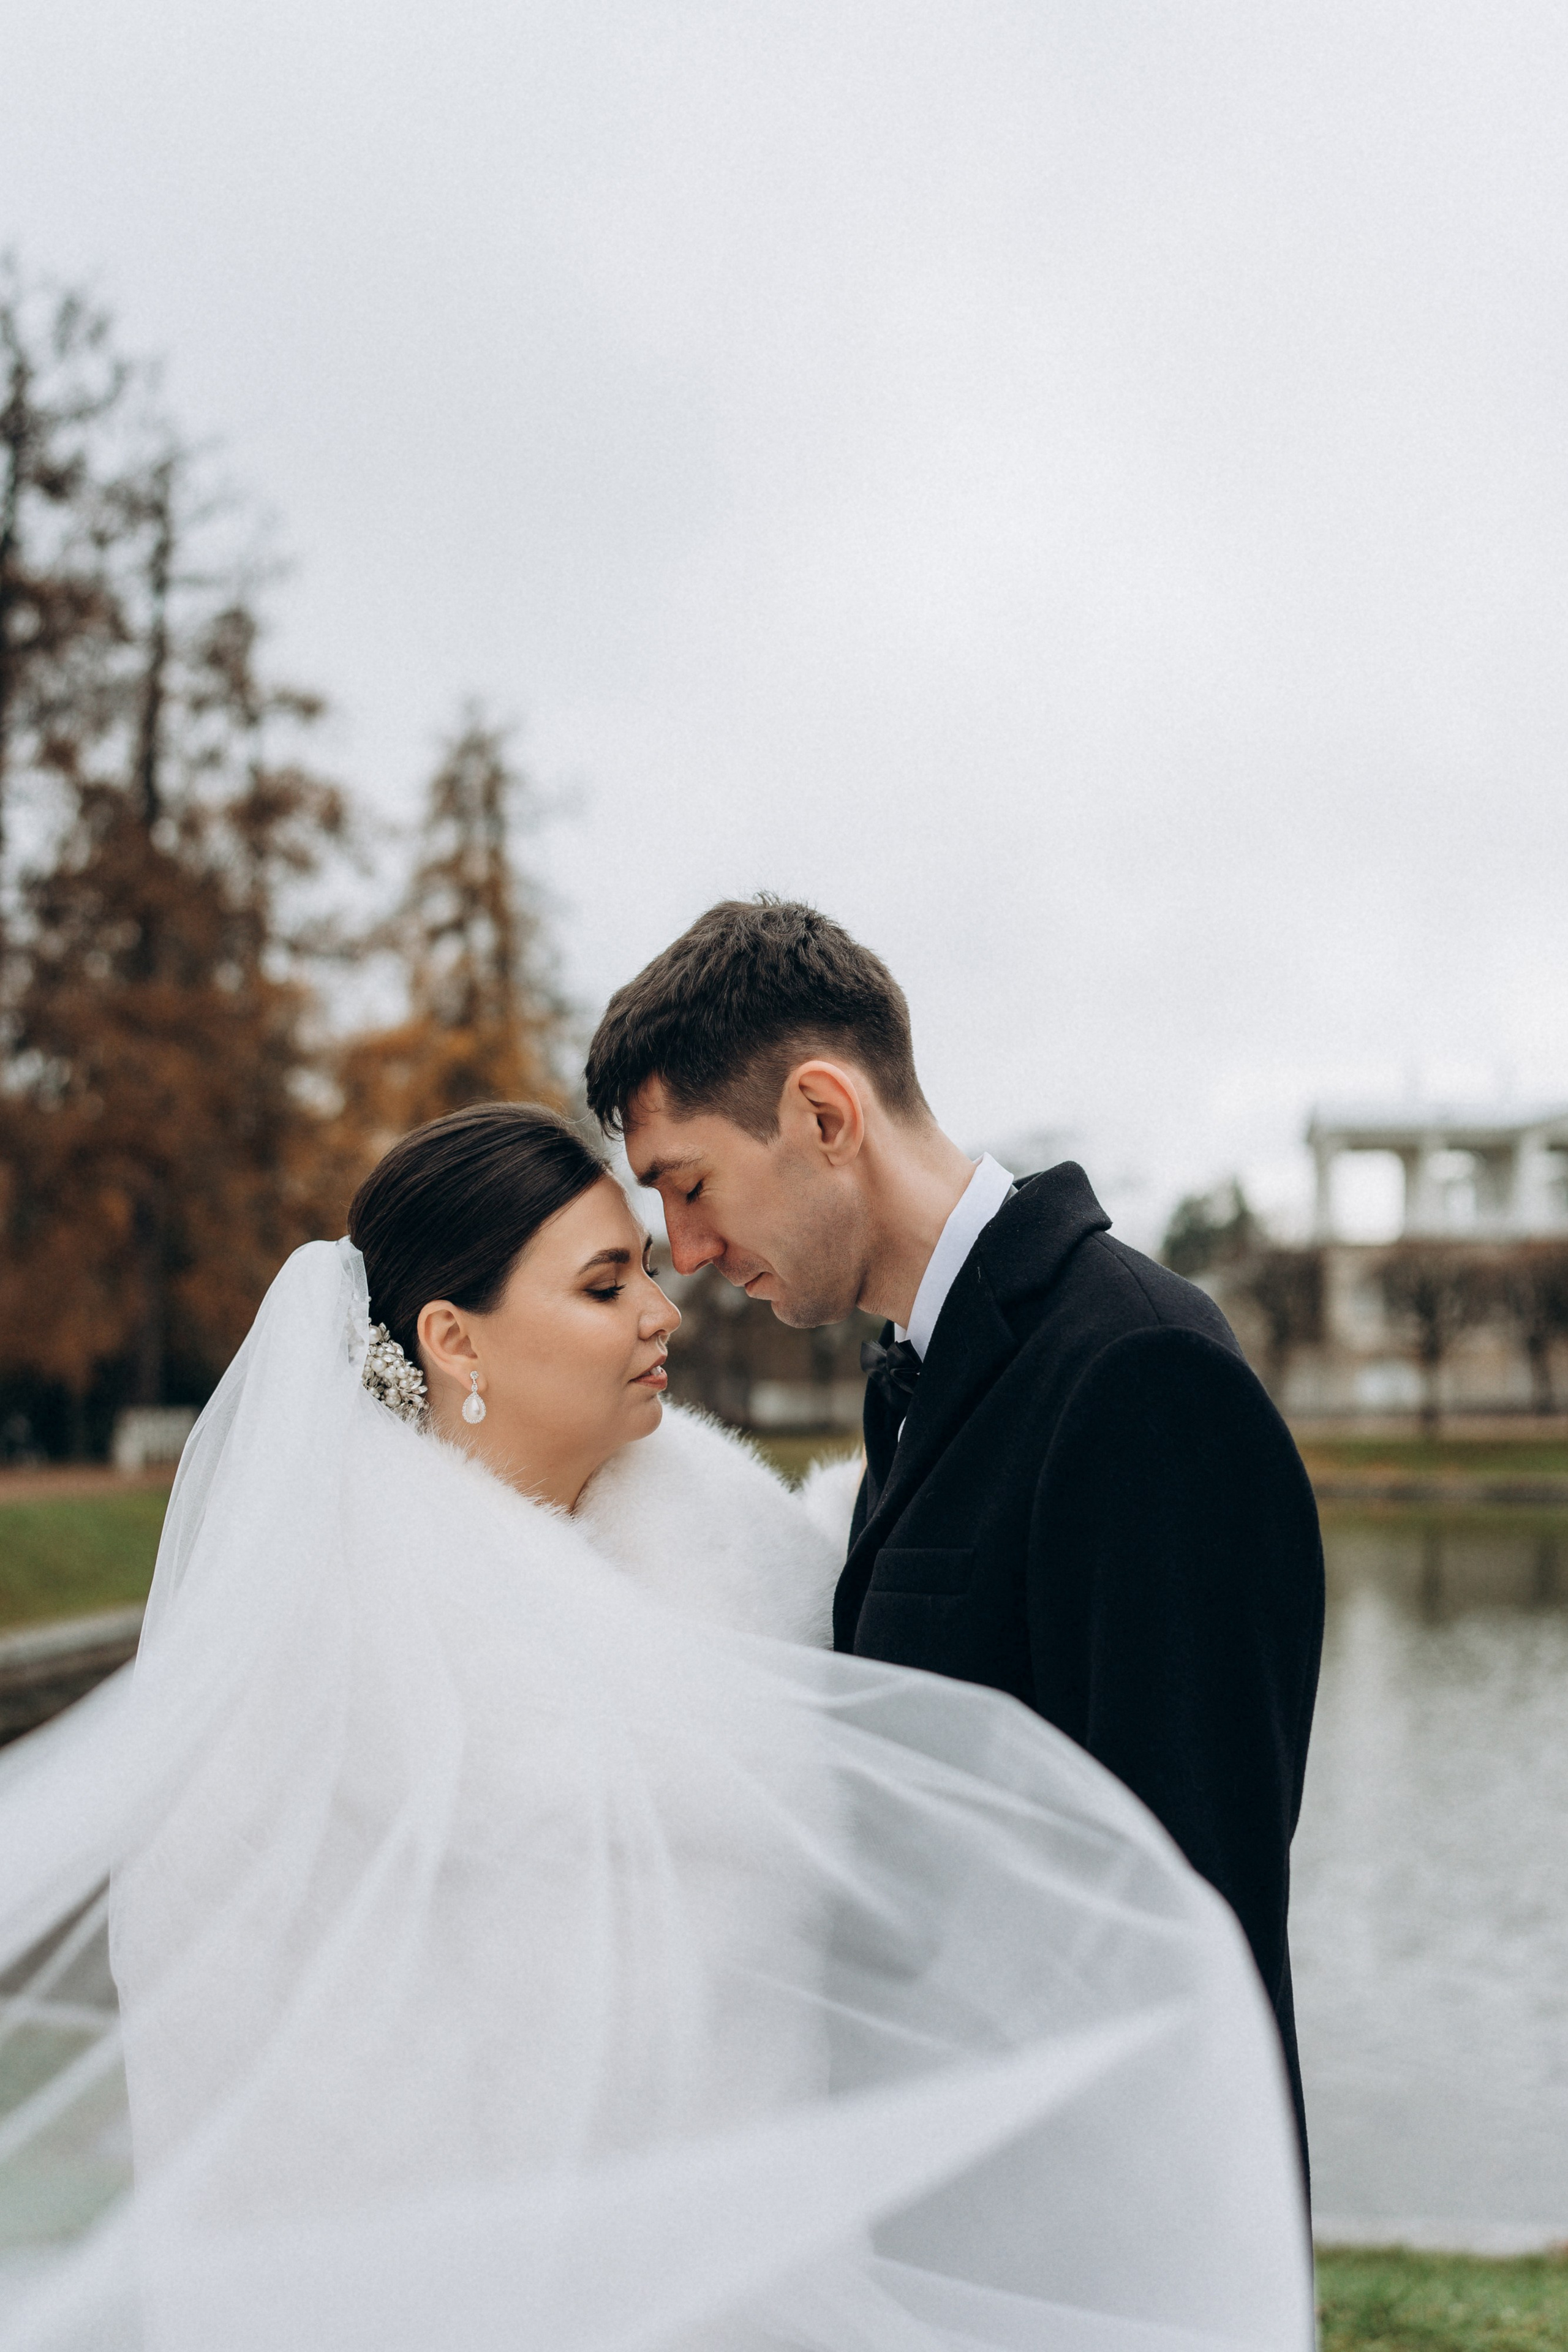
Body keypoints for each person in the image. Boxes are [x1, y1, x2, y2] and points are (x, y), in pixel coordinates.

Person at [0, 1104, 1311, 2351]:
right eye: (602, 1284)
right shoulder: (342, 1655)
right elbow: (257, 2084)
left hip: (776, 2271)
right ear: (454, 1341)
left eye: (645, 1263)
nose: (660, 1305)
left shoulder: (739, 1546)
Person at [587, 897, 1325, 2174]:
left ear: (824, 1115)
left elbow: (1191, 1924)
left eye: (690, 1186)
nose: (689, 1255)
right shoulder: (923, 1380)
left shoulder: (1136, 1372)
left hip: (1087, 2236)